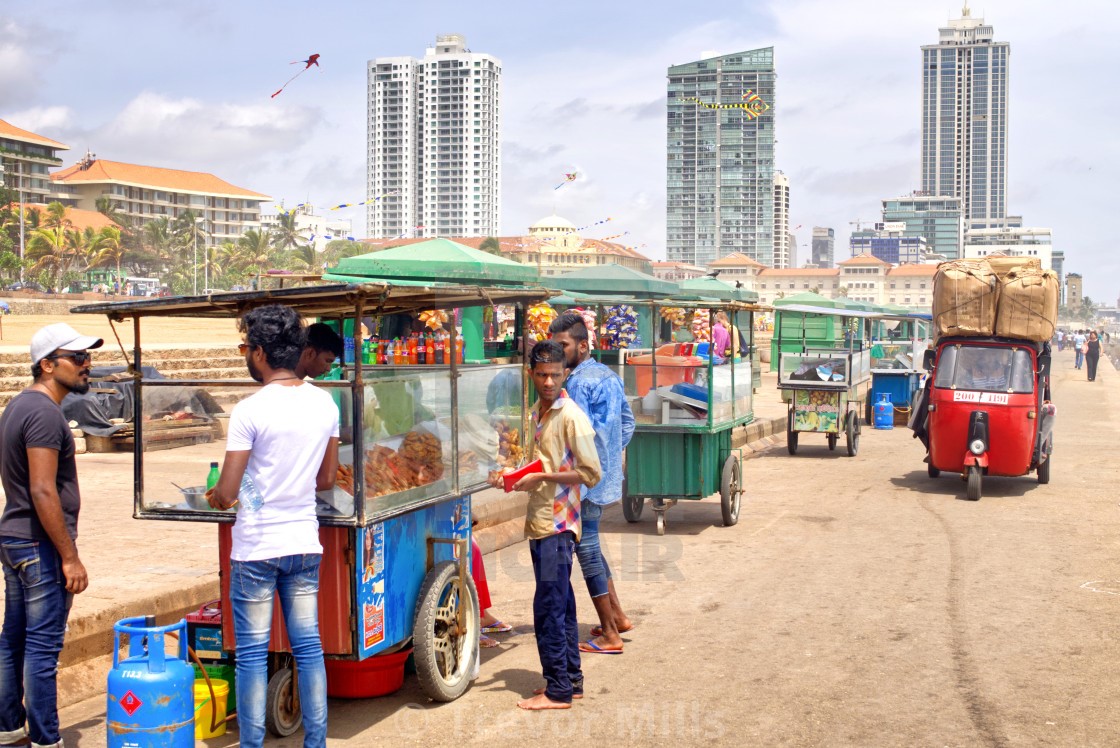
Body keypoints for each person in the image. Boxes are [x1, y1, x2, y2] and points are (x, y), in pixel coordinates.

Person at [207, 305, 339, 748]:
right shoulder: (324, 401)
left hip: (257, 549)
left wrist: (225, 493)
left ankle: (251, 744)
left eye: (246, 348)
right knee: (309, 648)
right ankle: (315, 741)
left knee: (250, 655)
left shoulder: (249, 410)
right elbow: (324, 479)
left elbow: (226, 492)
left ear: (260, 353)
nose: (246, 355)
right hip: (303, 541)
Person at [1, 323, 103, 748]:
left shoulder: (17, 406)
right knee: (42, 647)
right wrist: (69, 556)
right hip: (38, 545)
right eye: (77, 358)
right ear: (47, 365)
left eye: (87, 357)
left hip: (15, 538)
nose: (87, 366)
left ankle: (9, 727)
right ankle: (46, 738)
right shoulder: (44, 413)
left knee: (14, 638)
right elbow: (43, 489)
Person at [489, 340, 600, 710]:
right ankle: (571, 680)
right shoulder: (537, 413)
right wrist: (509, 475)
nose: (549, 381)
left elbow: (591, 473)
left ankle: (557, 691)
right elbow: (537, 465)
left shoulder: (571, 416)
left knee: (549, 609)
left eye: (555, 374)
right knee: (562, 605)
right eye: (542, 374)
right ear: (531, 375)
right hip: (541, 524)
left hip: (557, 528)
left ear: (565, 373)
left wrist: (544, 478)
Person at [549, 313, 634, 654]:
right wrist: (610, 458)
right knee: (594, 547)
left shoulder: (579, 383)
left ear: (582, 346)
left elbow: (575, 435)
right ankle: (618, 616)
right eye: (554, 344)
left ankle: (611, 634)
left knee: (587, 550)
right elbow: (627, 423)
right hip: (602, 479)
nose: (557, 350)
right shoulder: (608, 375)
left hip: (582, 482)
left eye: (563, 345)